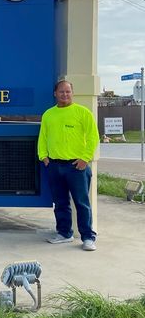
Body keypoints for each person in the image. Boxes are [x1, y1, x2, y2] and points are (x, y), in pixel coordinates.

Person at [37, 79, 98, 251]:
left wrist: (85, 158)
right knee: (60, 202)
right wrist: (44, 156)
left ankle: (88, 237)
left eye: (68, 91)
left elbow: (93, 137)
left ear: (72, 93)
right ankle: (64, 233)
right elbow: (43, 137)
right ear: (55, 94)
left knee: (82, 203)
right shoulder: (48, 114)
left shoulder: (82, 112)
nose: (65, 94)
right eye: (62, 92)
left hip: (76, 167)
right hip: (54, 166)